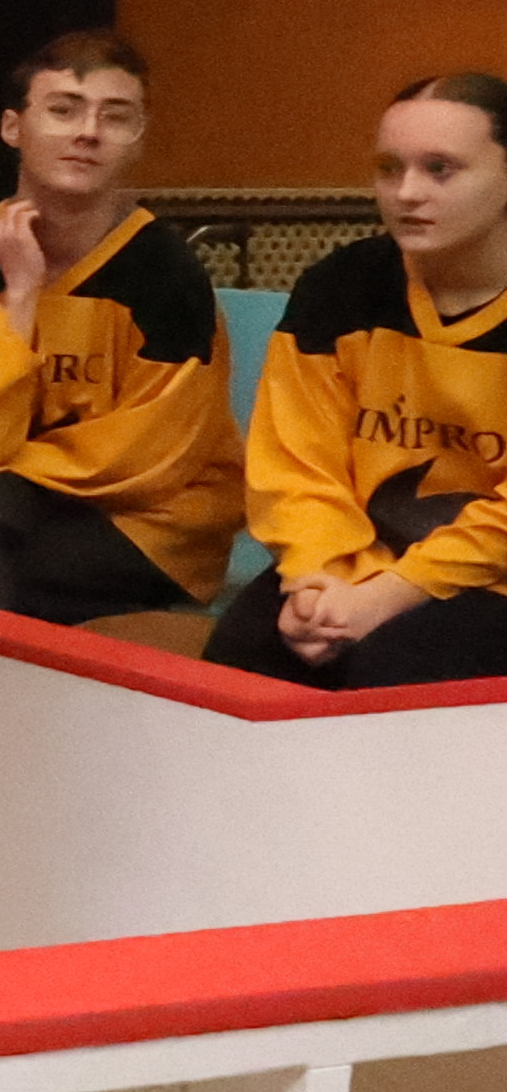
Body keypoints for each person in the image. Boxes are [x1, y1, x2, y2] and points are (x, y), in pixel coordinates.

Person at [0, 30, 241, 621]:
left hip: (148, 525)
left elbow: (146, 464)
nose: (88, 132)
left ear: (138, 138)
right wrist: (20, 296)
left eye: (115, 117)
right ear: (13, 128)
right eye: (64, 110)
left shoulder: (166, 277)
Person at [208, 72, 507, 691]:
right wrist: (316, 581)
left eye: (440, 170)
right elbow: (295, 465)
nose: (407, 192)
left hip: (490, 577)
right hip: (352, 563)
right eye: (389, 169)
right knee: (242, 660)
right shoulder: (339, 287)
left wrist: (390, 595)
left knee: (388, 672)